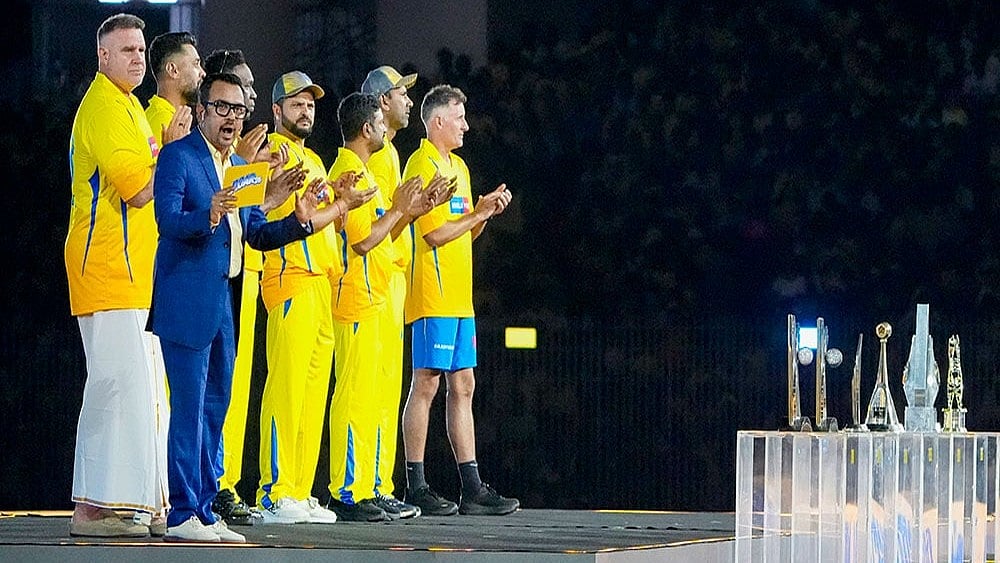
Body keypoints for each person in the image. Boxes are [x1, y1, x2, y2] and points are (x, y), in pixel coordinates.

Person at [151, 72, 370, 542]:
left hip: (224, 303)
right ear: (203, 110)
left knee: (216, 409)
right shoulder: (178, 156)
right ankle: (182, 512)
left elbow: (256, 233)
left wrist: (298, 219)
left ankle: (207, 511)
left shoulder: (236, 168)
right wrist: (208, 213)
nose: (231, 118)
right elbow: (167, 220)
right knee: (189, 410)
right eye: (222, 107)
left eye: (237, 109)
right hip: (186, 300)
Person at [64, 12, 183, 538]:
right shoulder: (106, 109)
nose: (137, 57)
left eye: (140, 49)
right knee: (123, 390)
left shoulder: (129, 107)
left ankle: (119, 506)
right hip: (109, 268)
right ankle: (100, 510)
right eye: (127, 50)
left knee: (130, 391)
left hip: (131, 273)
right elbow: (139, 189)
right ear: (102, 57)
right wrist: (177, 148)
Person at [400, 85, 519, 516]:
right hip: (432, 295)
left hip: (459, 296)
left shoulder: (460, 167)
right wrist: (478, 214)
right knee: (427, 383)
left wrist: (483, 212)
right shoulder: (421, 163)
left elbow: (464, 230)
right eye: (460, 116)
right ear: (437, 123)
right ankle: (416, 483)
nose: (467, 124)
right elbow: (432, 233)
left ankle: (472, 487)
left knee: (463, 384)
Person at [324, 92, 431, 522]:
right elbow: (363, 240)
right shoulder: (348, 171)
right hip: (354, 299)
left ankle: (369, 484)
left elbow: (381, 233)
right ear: (366, 129)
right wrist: (400, 210)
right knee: (353, 398)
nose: (386, 129)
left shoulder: (362, 169)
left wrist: (410, 211)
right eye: (379, 124)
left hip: (375, 295)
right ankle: (348, 490)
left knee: (372, 398)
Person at [359, 65, 450, 520]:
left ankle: (379, 483)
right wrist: (410, 211)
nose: (407, 101)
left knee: (383, 390)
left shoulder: (390, 154)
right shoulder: (376, 157)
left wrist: (417, 209)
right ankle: (358, 486)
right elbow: (377, 228)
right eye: (400, 94)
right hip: (375, 279)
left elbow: (398, 219)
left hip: (393, 279)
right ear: (380, 102)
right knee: (366, 390)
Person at [254, 71, 340, 524]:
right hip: (289, 279)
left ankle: (299, 489)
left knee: (310, 395)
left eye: (310, 103)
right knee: (285, 391)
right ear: (276, 110)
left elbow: (320, 218)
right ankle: (272, 492)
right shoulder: (270, 152)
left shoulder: (315, 160)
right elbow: (257, 211)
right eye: (296, 103)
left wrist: (341, 204)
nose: (305, 110)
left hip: (320, 281)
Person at [200, 46, 268, 527]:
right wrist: (243, 167)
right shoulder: (200, 147)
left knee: (232, 388)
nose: (245, 100)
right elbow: (207, 210)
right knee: (207, 391)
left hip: (240, 272)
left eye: (247, 94)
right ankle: (209, 485)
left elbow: (253, 222)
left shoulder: (242, 150)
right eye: (236, 91)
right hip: (202, 281)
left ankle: (221, 482)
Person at [145, 31, 203, 148]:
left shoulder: (170, 117)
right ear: (173, 70)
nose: (203, 73)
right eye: (196, 64)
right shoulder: (162, 120)